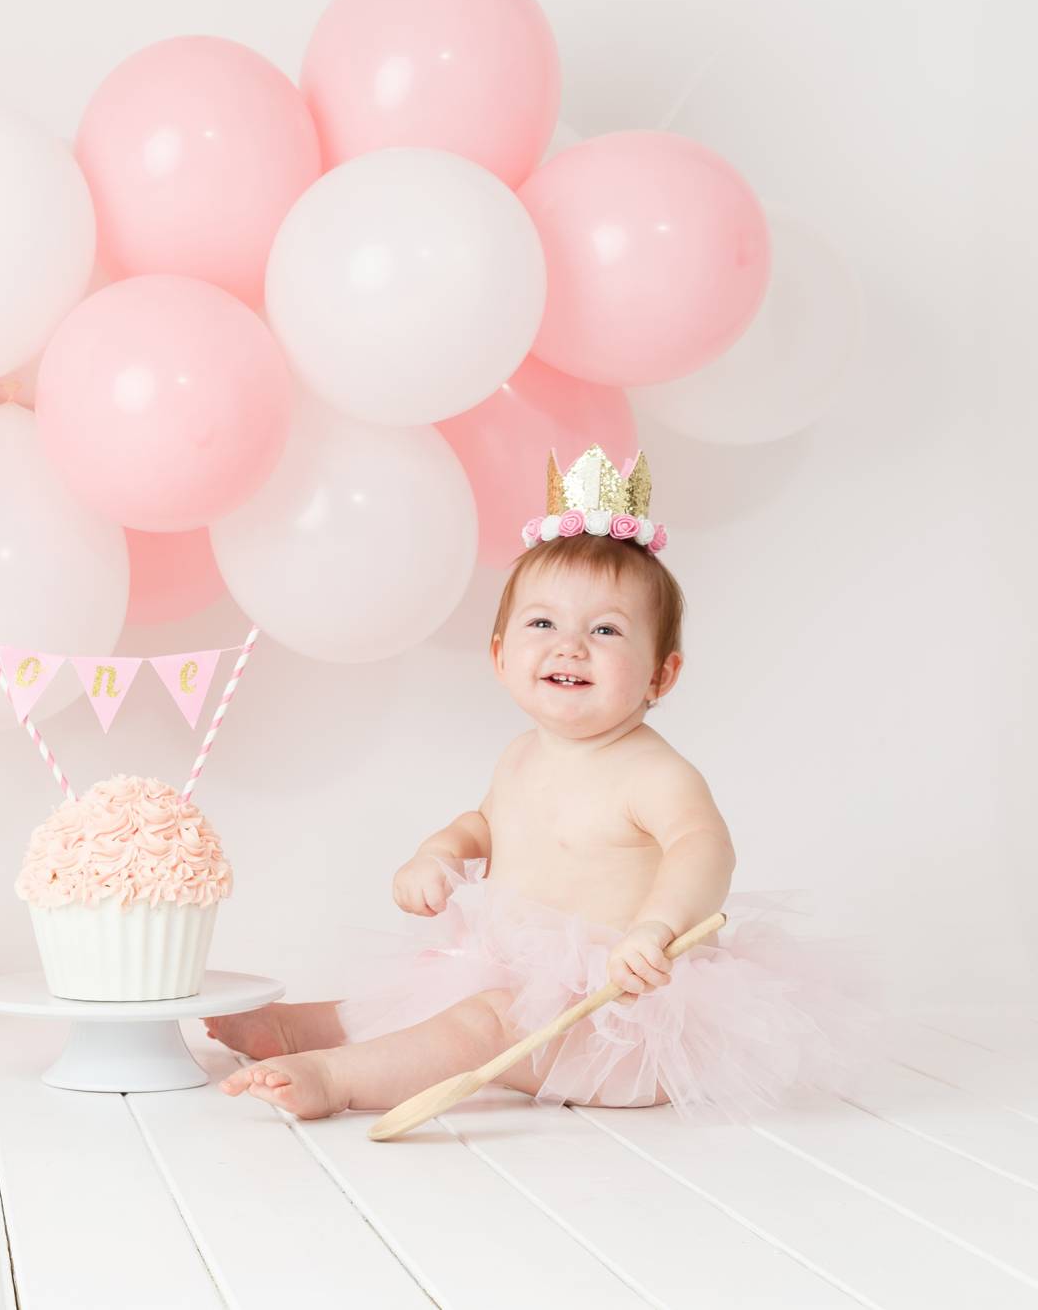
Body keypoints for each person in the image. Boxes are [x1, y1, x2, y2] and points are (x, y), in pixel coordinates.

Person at [210, 447, 857, 1123]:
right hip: (516, 979)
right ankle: (296, 1028)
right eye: (543, 622)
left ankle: (334, 1076)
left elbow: (705, 848)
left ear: (661, 676)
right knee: (427, 995)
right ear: (499, 655)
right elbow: (483, 824)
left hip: (617, 1016)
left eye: (605, 629)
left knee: (481, 1021)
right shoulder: (521, 755)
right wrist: (438, 851)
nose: (569, 645)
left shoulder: (653, 772)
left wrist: (656, 928)